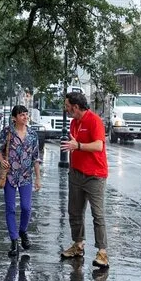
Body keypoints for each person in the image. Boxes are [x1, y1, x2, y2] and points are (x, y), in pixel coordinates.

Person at [59, 91, 110, 269]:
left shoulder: (94, 120)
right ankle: (78, 245)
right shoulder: (74, 122)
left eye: (67, 106)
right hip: (76, 173)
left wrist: (78, 145)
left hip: (95, 175)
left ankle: (102, 252)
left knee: (98, 214)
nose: (66, 109)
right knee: (74, 211)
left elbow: (99, 145)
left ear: (76, 107)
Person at [0, 105, 42, 257]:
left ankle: (23, 231)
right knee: (10, 208)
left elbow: (36, 157)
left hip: (26, 176)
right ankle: (14, 240)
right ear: (14, 118)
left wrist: (38, 178)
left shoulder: (33, 134)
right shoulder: (7, 132)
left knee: (26, 207)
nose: (25, 117)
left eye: (26, 114)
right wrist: (2, 160)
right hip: (9, 175)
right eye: (22, 115)